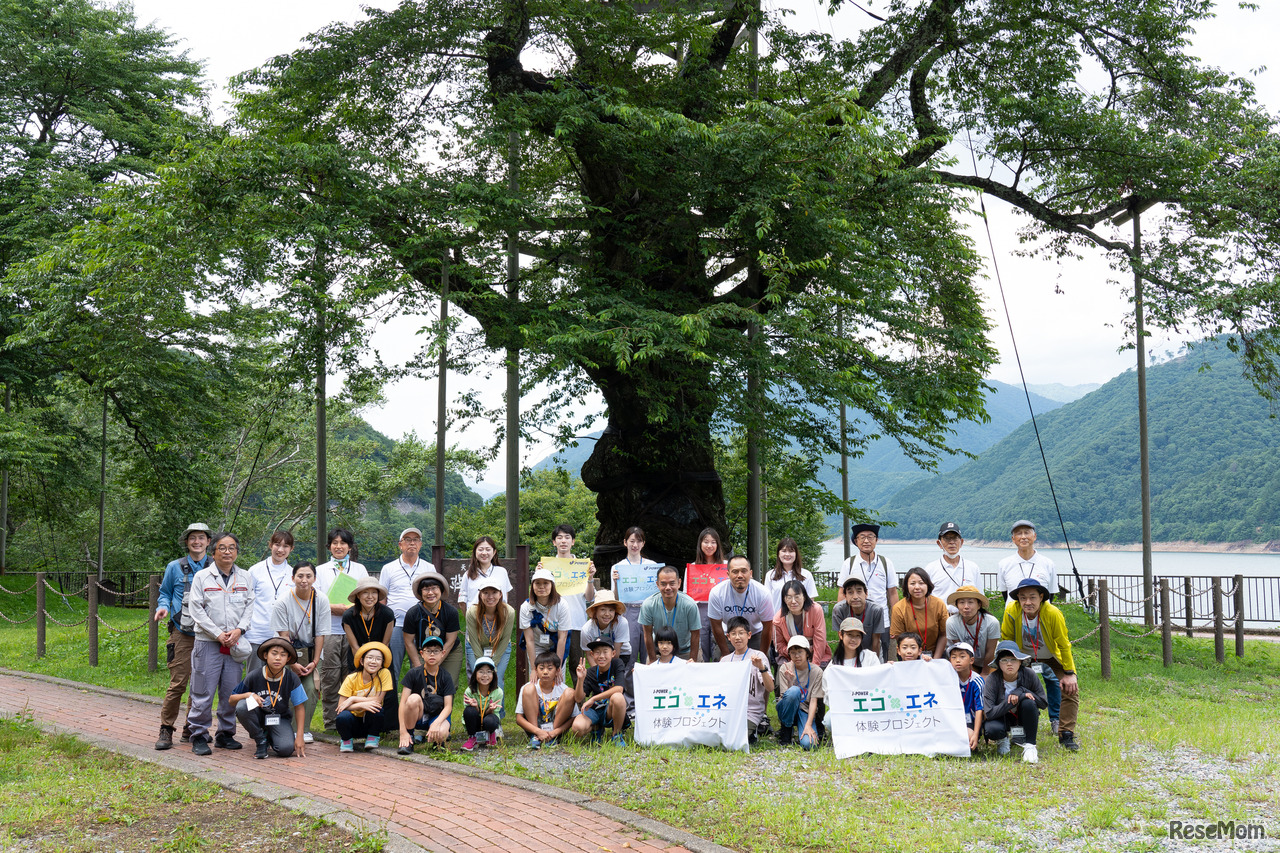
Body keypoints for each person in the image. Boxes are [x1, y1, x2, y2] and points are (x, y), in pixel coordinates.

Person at [185, 531, 255, 756]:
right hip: (208, 642)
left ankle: (225, 734)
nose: (227, 552)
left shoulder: (245, 577)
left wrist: (239, 630)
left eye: (232, 547)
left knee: (230, 690)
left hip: (234, 642)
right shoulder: (202, 577)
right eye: (222, 548)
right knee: (202, 690)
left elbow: (249, 607)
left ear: (237, 552)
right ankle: (198, 735)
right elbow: (196, 609)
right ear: (213, 552)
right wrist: (217, 634)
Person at [997, 520, 1062, 732]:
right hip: (1016, 625)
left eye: (1027, 533)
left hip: (1043, 626)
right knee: (1016, 673)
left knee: (1051, 674)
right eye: (1018, 534)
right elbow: (1004, 595)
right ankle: (1018, 721)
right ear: (1013, 539)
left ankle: (1055, 718)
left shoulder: (1047, 563)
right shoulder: (1005, 563)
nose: (1023, 537)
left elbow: (1051, 595)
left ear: (1035, 536)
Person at [1003, 577, 1081, 751]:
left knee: (1070, 688)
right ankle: (1017, 729)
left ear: (1041, 597)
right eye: (1023, 598)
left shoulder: (1052, 613)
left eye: (1032, 597)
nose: (1027, 602)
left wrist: (1069, 672)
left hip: (1051, 656)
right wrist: (1009, 668)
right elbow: (1007, 640)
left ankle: (1066, 733)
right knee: (1011, 687)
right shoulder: (1011, 611)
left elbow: (1063, 643)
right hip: (1023, 656)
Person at [153, 522, 212, 750]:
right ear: (186, 542)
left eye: (201, 538)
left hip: (208, 634)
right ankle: (166, 729)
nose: (197, 542)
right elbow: (165, 593)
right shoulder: (174, 567)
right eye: (192, 538)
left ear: (208, 541)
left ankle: (192, 728)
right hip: (182, 632)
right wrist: (163, 607)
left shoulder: (216, 566)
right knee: (178, 683)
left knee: (202, 684)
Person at [270, 560, 331, 744]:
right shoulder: (282, 601)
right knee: (289, 689)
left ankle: (303, 730)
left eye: (308, 576)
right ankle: (286, 728)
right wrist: (291, 663)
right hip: (286, 653)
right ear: (293, 578)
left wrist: (315, 661)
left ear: (314, 578)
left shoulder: (321, 599)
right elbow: (283, 636)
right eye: (300, 576)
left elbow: (321, 633)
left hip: (312, 652)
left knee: (311, 689)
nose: (304, 580)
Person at [314, 528, 368, 731]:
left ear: (350, 547)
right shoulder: (320, 570)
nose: (339, 546)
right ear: (329, 546)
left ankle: (349, 718)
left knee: (351, 676)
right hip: (328, 630)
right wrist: (331, 607)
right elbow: (315, 599)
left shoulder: (360, 569)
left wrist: (352, 608)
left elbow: (367, 596)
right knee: (330, 677)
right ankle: (330, 723)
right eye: (334, 543)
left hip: (353, 630)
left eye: (343, 543)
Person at [230, 636, 308, 759]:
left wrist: (300, 736)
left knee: (286, 749)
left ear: (288, 659)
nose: (278, 658)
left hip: (279, 718)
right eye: (274, 653)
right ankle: (260, 740)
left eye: (283, 655)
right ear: (265, 655)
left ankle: (270, 736)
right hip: (258, 717)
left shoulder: (292, 678)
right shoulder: (254, 675)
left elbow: (299, 707)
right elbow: (232, 699)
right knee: (242, 706)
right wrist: (249, 695)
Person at [536, 524, 596, 679]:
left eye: (567, 537)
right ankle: (551, 701)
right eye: (559, 538)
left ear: (573, 541)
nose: (563, 541)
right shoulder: (546, 567)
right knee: (550, 665)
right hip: (551, 622)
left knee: (577, 666)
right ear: (554, 542)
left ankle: (579, 702)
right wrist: (539, 575)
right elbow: (538, 595)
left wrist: (590, 579)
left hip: (576, 622)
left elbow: (589, 598)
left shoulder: (582, 566)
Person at [982, 640, 1048, 764]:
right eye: (1004, 660)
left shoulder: (1030, 674)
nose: (1009, 664)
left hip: (1023, 717)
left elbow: (1043, 703)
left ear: (1020, 662)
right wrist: (1011, 701)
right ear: (998, 664)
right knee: (991, 729)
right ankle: (1003, 739)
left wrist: (1021, 692)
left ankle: (1030, 745)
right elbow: (989, 712)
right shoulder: (992, 679)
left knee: (1029, 703)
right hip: (1001, 718)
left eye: (1013, 659)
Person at [382, 527, 434, 681]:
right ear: (400, 544)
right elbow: (382, 600)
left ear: (421, 544)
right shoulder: (388, 568)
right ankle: (390, 703)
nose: (412, 543)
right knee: (392, 666)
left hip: (422, 624)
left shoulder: (429, 568)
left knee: (421, 666)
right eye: (408, 539)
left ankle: (421, 702)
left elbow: (434, 596)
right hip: (396, 624)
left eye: (416, 539)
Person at [837, 523, 898, 656]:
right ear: (856, 541)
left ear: (876, 540)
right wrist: (842, 622)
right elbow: (842, 593)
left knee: (882, 656)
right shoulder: (849, 563)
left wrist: (895, 621)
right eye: (862, 537)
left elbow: (892, 593)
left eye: (871, 537)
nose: (866, 541)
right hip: (853, 619)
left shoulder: (886, 563)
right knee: (853, 655)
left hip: (883, 620)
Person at [402, 570, 463, 688]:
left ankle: (446, 707)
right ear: (420, 592)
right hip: (423, 650)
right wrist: (418, 664)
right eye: (425, 589)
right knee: (421, 685)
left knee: (448, 684)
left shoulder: (451, 612)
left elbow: (450, 640)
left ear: (441, 590)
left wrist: (435, 663)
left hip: (449, 651)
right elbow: (408, 641)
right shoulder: (412, 613)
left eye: (434, 588)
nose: (430, 593)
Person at [611, 526, 661, 667]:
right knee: (629, 652)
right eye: (632, 541)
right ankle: (626, 687)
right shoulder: (617, 567)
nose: (635, 545)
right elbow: (615, 599)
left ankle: (649, 687)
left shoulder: (652, 566)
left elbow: (658, 592)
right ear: (625, 542)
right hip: (628, 610)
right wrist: (616, 583)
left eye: (639, 541)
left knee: (650, 652)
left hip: (649, 611)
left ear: (643, 543)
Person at [708, 555, 775, 658]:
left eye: (744, 571)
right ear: (728, 574)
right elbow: (716, 626)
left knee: (760, 667)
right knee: (722, 663)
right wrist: (726, 655)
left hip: (755, 633)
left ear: (750, 573)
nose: (740, 575)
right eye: (735, 571)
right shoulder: (717, 593)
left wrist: (762, 655)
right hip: (729, 634)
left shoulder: (763, 593)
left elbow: (768, 627)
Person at [397, 635, 455, 754]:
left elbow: (448, 706)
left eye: (436, 651)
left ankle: (437, 741)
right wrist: (402, 731)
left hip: (437, 714)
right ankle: (409, 738)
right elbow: (402, 703)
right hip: (419, 713)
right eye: (428, 651)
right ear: (422, 654)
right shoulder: (413, 673)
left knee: (441, 732)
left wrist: (437, 723)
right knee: (413, 699)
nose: (432, 654)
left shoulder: (446, 676)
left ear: (443, 653)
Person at [721, 616, 773, 745]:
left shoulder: (758, 656)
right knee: (718, 737)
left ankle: (752, 731)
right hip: (730, 709)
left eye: (741, 633)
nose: (737, 637)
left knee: (733, 741)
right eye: (733, 634)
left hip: (751, 711)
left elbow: (770, 688)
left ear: (749, 635)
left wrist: (762, 668)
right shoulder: (725, 660)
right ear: (728, 637)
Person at [246, 530, 295, 660]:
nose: (280, 550)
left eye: (285, 546)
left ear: (291, 549)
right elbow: (246, 601)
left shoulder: (293, 574)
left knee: (277, 676)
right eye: (277, 545)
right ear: (270, 545)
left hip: (282, 635)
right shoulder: (255, 571)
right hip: (257, 632)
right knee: (255, 676)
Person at [336, 640, 393, 753]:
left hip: (370, 721)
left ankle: (372, 737)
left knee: (376, 708)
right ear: (362, 661)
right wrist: (362, 705)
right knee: (343, 717)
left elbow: (378, 699)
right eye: (370, 657)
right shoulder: (351, 678)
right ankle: (346, 739)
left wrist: (353, 699)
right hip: (353, 722)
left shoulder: (384, 674)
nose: (373, 661)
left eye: (378, 659)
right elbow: (341, 707)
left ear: (382, 663)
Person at [572, 637, 628, 745]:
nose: (601, 656)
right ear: (592, 655)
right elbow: (578, 698)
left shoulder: (617, 664)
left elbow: (619, 688)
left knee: (618, 697)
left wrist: (593, 698)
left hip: (610, 709)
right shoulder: (590, 672)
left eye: (605, 652)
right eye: (597, 652)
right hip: (596, 709)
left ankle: (616, 734)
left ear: (613, 653)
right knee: (577, 728)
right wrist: (580, 679)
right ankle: (596, 728)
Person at [516, 649, 576, 749]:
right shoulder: (528, 687)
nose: (545, 672)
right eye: (541, 668)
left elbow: (574, 717)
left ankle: (552, 738)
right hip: (534, 729)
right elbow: (519, 718)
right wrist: (537, 731)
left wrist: (555, 732)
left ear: (557, 671)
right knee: (529, 689)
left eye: (549, 668)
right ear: (535, 670)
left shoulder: (563, 689)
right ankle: (535, 738)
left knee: (570, 692)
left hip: (556, 729)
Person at [639, 566, 701, 662]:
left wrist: (693, 660)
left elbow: (695, 634)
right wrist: (652, 659)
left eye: (672, 583)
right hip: (660, 651)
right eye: (663, 584)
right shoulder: (648, 605)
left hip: (685, 651)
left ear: (679, 583)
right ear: (657, 584)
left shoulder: (690, 605)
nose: (668, 588)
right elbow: (647, 634)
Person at [685, 527, 728, 663]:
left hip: (721, 610)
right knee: (700, 645)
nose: (709, 545)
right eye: (706, 542)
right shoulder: (692, 567)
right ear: (700, 544)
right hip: (699, 610)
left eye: (713, 542)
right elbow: (686, 594)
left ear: (718, 545)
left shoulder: (726, 566)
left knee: (719, 645)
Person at [520, 567, 571, 680]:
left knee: (557, 679)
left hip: (557, 644)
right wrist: (533, 668)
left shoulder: (562, 605)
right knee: (536, 678)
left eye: (546, 583)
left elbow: (562, 638)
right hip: (537, 644)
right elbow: (529, 640)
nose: (541, 586)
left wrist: (558, 667)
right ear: (532, 586)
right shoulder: (526, 607)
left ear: (552, 585)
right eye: (537, 583)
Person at [776, 636, 824, 749]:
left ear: (807, 653)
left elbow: (813, 700)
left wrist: (808, 725)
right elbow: (785, 697)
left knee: (809, 744)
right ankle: (786, 731)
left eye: (800, 652)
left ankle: (806, 726)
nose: (797, 656)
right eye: (793, 653)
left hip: (805, 709)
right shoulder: (785, 668)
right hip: (787, 708)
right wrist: (790, 682)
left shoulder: (817, 672)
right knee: (793, 691)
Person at [889, 567, 948, 660]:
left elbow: (944, 635)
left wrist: (935, 660)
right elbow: (899, 638)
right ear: (906, 586)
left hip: (936, 653)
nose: (917, 587)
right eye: (912, 583)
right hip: (908, 655)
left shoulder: (939, 604)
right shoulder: (899, 608)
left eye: (921, 583)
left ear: (928, 585)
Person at [465, 577, 516, 683]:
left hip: (501, 647)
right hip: (476, 647)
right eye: (486, 592)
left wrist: (493, 665)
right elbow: (473, 640)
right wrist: (483, 664)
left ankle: (497, 700)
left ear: (500, 594)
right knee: (479, 678)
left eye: (494, 592)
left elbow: (505, 639)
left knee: (496, 679)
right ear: (480, 594)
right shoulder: (472, 612)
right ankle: (476, 700)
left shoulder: (509, 612)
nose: (490, 597)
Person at [923, 522, 981, 615]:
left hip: (967, 618)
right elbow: (925, 599)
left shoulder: (973, 567)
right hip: (940, 617)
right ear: (939, 543)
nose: (952, 542)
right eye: (947, 538)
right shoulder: (930, 569)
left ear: (961, 542)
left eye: (955, 538)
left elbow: (980, 596)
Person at [772, 580, 831, 668]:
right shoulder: (778, 619)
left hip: (815, 653)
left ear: (804, 596)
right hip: (791, 656)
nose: (793, 601)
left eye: (797, 596)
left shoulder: (816, 610)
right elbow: (779, 645)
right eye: (789, 597)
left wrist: (814, 666)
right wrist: (796, 654)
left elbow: (820, 639)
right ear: (784, 599)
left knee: (819, 675)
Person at [342, 577, 396, 671]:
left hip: (381, 660)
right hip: (358, 659)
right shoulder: (348, 616)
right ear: (358, 595)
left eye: (374, 592)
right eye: (365, 592)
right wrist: (364, 666)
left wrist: (377, 663)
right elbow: (354, 646)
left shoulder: (388, 614)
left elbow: (385, 643)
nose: (370, 596)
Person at [946, 586, 1000, 674]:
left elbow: (990, 651)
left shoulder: (991, 622)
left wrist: (985, 673)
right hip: (966, 662)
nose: (966, 606)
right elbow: (960, 650)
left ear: (979, 605)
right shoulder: (951, 622)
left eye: (970, 602)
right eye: (962, 602)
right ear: (957, 605)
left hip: (990, 662)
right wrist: (973, 673)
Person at [829, 577, 884, 661]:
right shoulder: (839, 610)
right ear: (845, 596)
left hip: (871, 651)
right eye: (850, 592)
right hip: (848, 652)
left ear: (866, 593)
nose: (855, 597)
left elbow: (876, 641)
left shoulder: (876, 610)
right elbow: (841, 638)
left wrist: (872, 662)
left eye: (859, 591)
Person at [948, 641, 985, 755]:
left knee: (967, 736)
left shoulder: (977, 681)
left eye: (962, 656)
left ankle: (974, 741)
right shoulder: (947, 679)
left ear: (971, 660)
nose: (957, 660)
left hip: (971, 721)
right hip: (951, 720)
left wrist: (975, 733)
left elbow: (980, 708)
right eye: (953, 657)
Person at [763, 537, 817, 614]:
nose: (787, 554)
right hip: (777, 620)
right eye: (784, 551)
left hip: (801, 620)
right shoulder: (770, 575)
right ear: (778, 553)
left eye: (791, 551)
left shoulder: (806, 575)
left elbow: (811, 601)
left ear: (796, 554)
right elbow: (767, 601)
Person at [581, 590, 631, 673]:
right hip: (598, 655)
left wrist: (610, 672)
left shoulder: (622, 623)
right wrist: (598, 672)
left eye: (611, 610)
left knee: (615, 678)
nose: (607, 614)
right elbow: (589, 654)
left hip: (621, 654)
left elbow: (616, 652)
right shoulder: (586, 629)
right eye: (603, 610)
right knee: (599, 678)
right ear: (595, 611)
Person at [457, 535, 511, 610]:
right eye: (480, 549)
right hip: (475, 617)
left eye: (488, 549)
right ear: (475, 552)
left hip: (499, 617)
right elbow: (462, 601)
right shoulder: (468, 574)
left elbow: (505, 595)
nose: (484, 553)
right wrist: (469, 619)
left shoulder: (502, 572)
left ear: (494, 552)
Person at [462, 656, 504, 751]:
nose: (485, 675)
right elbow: (469, 715)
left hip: (488, 720)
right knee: (469, 711)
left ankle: (491, 733)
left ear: (494, 675)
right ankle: (472, 737)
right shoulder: (469, 691)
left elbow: (492, 714)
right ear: (475, 674)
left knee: (491, 720)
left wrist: (491, 709)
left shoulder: (498, 692)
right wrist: (476, 706)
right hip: (475, 722)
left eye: (489, 672)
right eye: (481, 671)